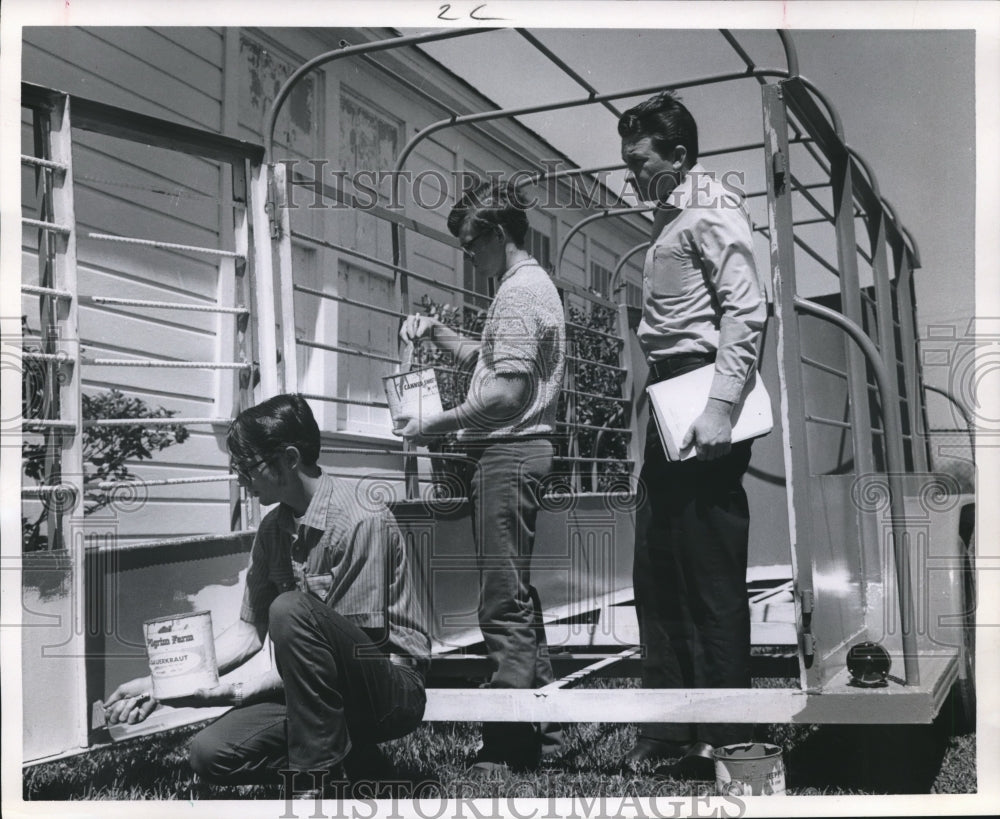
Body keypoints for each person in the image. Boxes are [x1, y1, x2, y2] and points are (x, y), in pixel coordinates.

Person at [104, 393, 430, 795]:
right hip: (318, 694)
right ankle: (355, 764)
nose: (240, 478)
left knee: (290, 608)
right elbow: (247, 632)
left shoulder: (361, 518)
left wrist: (238, 690)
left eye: (245, 466)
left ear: (289, 459)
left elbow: (350, 661)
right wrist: (161, 684)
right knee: (209, 753)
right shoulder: (273, 530)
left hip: (388, 692)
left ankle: (315, 785)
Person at [617, 91, 767, 780]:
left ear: (677, 154)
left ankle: (728, 736)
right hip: (667, 398)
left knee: (708, 570)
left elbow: (746, 310)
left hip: (704, 397)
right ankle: (671, 728)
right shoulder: (667, 214)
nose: (631, 172)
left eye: (640, 160)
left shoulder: (712, 210)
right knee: (658, 567)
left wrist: (721, 405)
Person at [395, 181, 566, 776]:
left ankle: (509, 744)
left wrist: (434, 423)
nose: (469, 256)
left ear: (497, 233)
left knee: (501, 600)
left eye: (471, 244)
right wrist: (439, 334)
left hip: (507, 453)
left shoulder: (519, 295)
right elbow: (492, 365)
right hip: (515, 453)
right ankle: (541, 731)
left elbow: (505, 393)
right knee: (514, 593)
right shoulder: (525, 289)